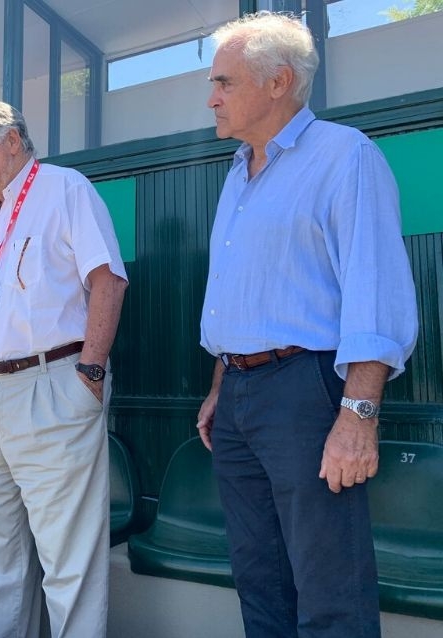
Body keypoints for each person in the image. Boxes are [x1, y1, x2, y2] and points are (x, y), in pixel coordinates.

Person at [195, 12, 419, 638]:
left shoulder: (344, 156)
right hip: (238, 397)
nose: (212, 98)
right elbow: (241, 295)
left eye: (224, 82)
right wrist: (221, 386)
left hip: (306, 392)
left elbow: (374, 293)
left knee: (329, 587)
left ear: (279, 82)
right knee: (259, 578)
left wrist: (358, 417)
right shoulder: (237, 172)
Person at [0, 101, 128, 638]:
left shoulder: (66, 189)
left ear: (12, 142)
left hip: (53, 386)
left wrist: (89, 375)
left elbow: (108, 280)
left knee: (68, 561)